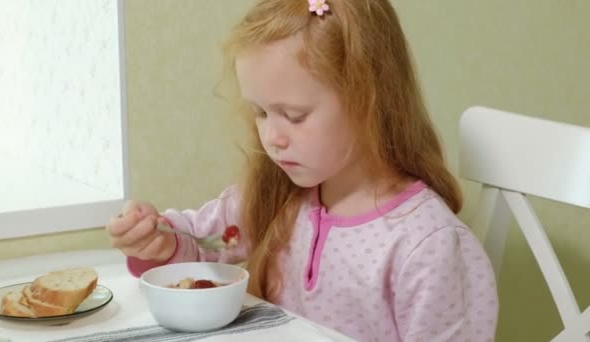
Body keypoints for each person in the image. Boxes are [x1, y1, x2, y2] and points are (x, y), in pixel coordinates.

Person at [106, 0, 498, 340]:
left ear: (369, 102)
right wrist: (159, 241)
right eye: (260, 112)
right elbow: (201, 243)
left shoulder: (426, 246)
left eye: (294, 115)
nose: (272, 136)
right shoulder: (275, 196)